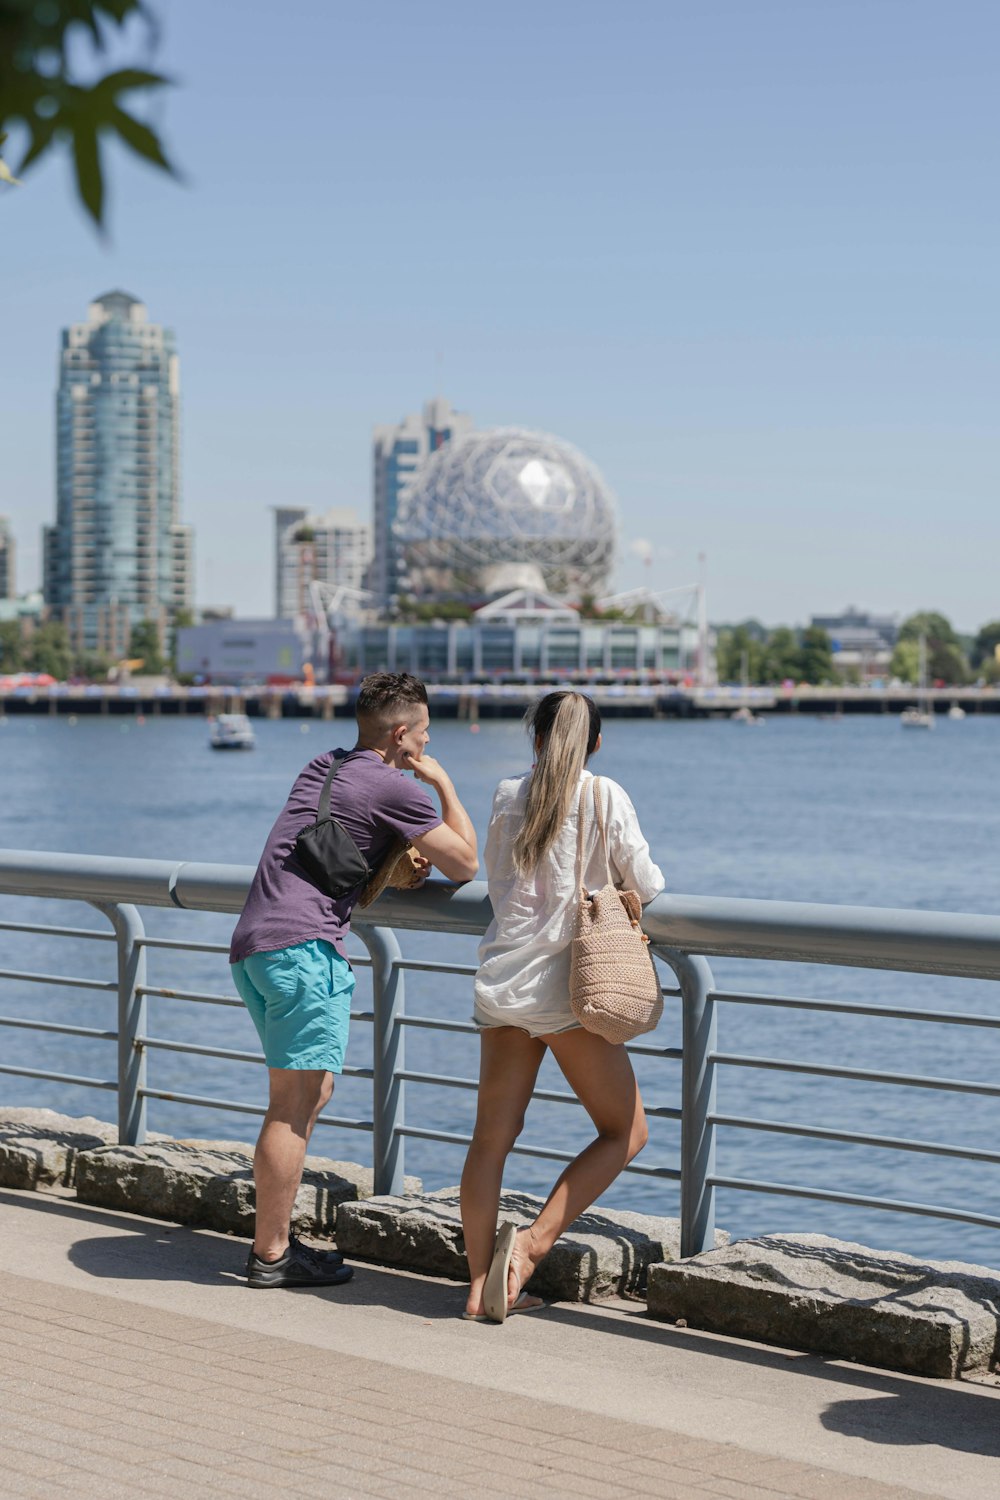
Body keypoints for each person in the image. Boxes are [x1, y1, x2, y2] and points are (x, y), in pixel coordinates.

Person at [230, 671, 478, 1289]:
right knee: (291, 1108)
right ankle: (271, 1257)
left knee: (310, 1095)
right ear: (401, 734)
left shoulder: (325, 765)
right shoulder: (397, 787)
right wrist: (441, 781)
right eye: (423, 736)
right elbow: (467, 864)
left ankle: (278, 1244)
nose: (425, 746)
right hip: (304, 950)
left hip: (256, 945)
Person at [460, 690, 664, 1322]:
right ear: (595, 743)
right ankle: (528, 1249)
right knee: (625, 1133)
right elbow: (648, 884)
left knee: (490, 1140)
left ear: (536, 739)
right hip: (571, 992)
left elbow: (496, 884)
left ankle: (477, 1285)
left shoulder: (504, 794)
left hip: (505, 980)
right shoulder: (605, 794)